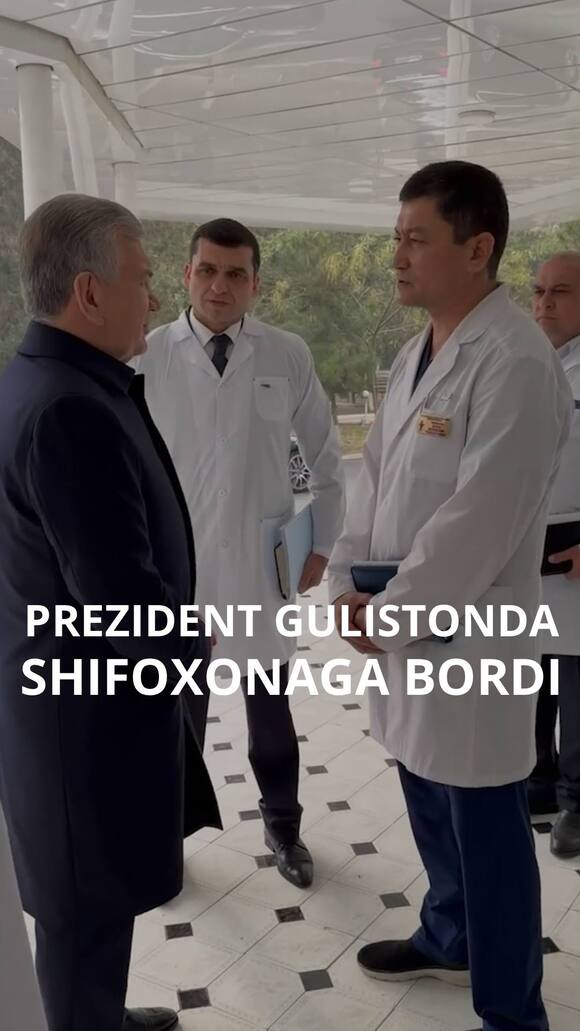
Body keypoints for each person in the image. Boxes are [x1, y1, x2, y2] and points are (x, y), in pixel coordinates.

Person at [328, 161, 572, 1031]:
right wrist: (343, 581)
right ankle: (447, 933)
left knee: (486, 824)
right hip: (401, 628)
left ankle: (512, 1010)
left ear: (477, 248)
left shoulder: (515, 362)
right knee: (424, 791)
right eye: (396, 238)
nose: (397, 256)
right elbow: (374, 480)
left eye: (416, 239)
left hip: (468, 638)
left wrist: (388, 616)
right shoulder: (416, 351)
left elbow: (480, 519)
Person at [0, 194, 221, 1031]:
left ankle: (100, 1016)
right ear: (90, 293)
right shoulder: (69, 409)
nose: (155, 297)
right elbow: (119, 598)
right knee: (82, 913)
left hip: (65, 703)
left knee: (91, 904)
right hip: (84, 722)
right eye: (144, 278)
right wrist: (191, 648)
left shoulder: (45, 380)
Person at [135, 218, 345, 888]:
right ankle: (164, 838)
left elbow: (326, 455)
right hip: (176, 568)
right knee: (177, 711)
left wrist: (323, 543)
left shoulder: (285, 353)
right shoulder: (149, 353)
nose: (219, 286)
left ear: (256, 282)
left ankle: (284, 826)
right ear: (186, 274)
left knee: (270, 710)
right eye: (207, 270)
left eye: (235, 274)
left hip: (262, 565)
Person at [530, 252, 580, 856]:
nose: (544, 303)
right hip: (526, 547)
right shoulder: (529, 364)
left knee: (576, 686)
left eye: (560, 292)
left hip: (576, 550)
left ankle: (578, 803)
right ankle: (538, 783)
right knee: (530, 679)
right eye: (539, 291)